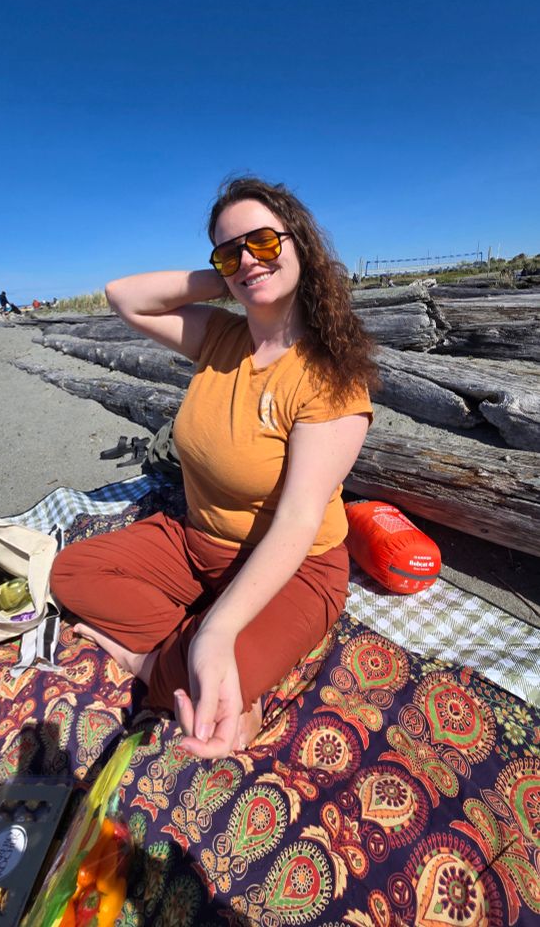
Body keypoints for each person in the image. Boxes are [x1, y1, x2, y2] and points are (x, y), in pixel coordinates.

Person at [50, 176, 378, 759]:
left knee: (209, 692)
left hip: (296, 568)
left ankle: (166, 651)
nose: (248, 258)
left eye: (265, 243)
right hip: (197, 542)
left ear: (299, 241)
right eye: (229, 250)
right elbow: (123, 295)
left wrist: (219, 632)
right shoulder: (220, 336)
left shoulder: (330, 377)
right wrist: (236, 278)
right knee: (70, 574)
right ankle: (159, 659)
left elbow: (300, 521)